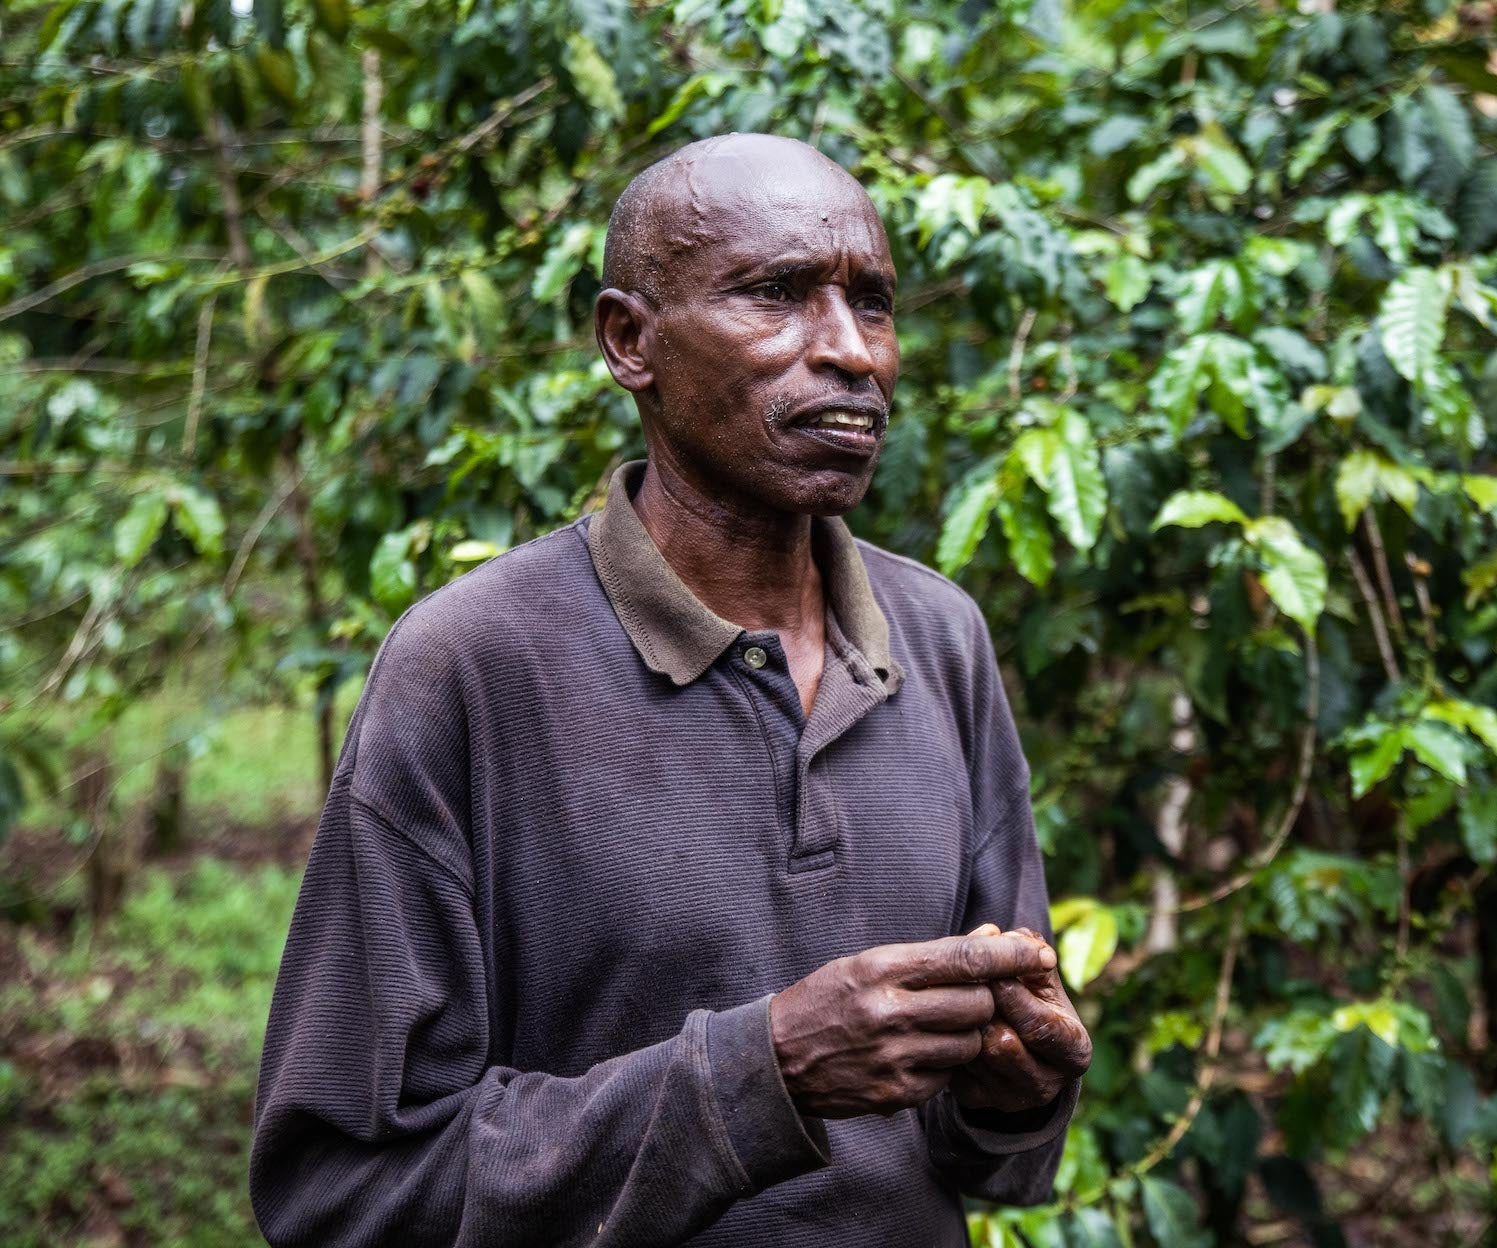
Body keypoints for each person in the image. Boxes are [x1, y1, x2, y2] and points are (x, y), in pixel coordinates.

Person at [247, 133, 1091, 1247]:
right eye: (778, 296)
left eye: (873, 305)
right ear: (628, 341)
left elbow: (981, 1154)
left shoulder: (939, 638)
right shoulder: (470, 666)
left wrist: (1015, 1092)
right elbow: (341, 1195)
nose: (851, 353)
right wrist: (763, 1072)